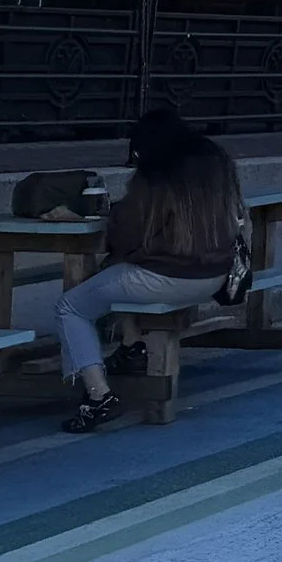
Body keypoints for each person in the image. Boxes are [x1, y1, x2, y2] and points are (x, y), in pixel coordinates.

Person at [57, 108, 245, 436]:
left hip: (166, 279)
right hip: (215, 277)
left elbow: (127, 234)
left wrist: (107, 216)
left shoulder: (155, 176)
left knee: (71, 307)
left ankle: (98, 396)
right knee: (118, 272)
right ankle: (132, 346)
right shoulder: (217, 164)